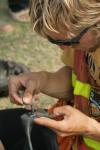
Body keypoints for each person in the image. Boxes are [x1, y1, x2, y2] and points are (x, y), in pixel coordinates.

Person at [7, 0, 100, 149]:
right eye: (54, 41)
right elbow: (76, 81)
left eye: (71, 41)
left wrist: (89, 129)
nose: (63, 48)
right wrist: (42, 80)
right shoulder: (82, 34)